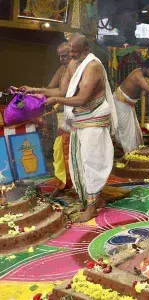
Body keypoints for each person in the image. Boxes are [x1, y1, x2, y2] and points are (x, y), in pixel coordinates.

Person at [23, 33, 118, 223]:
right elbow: (63, 91)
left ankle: (91, 207)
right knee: (79, 162)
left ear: (86, 50)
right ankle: (96, 200)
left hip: (93, 119)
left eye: (74, 53)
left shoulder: (93, 66)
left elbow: (81, 98)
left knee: (92, 161)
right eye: (70, 53)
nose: (71, 57)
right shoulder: (75, 64)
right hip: (80, 121)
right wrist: (36, 90)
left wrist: (56, 100)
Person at [114, 58, 149, 153]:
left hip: (128, 105)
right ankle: (129, 156)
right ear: (144, 67)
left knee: (133, 133)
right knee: (126, 134)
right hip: (121, 103)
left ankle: (132, 154)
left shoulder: (143, 76)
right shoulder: (138, 75)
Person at [48, 42, 71, 198]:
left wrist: (61, 102)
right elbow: (51, 87)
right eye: (60, 56)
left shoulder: (83, 69)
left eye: (65, 55)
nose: (62, 59)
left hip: (78, 117)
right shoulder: (62, 69)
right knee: (60, 152)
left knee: (69, 152)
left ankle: (71, 185)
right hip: (64, 117)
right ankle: (62, 185)